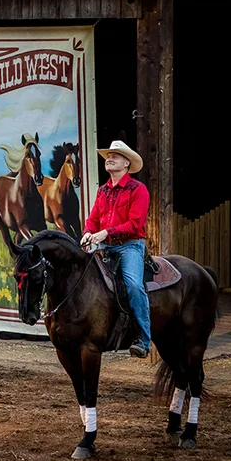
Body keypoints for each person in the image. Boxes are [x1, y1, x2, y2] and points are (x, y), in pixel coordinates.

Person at [80, 140, 151, 358]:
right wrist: (87, 232)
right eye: (108, 156)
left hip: (129, 246)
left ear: (127, 163)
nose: (109, 159)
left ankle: (144, 339)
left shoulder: (138, 190)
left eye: (115, 156)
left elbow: (135, 224)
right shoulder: (103, 191)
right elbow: (94, 218)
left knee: (132, 285)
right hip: (104, 246)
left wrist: (106, 233)